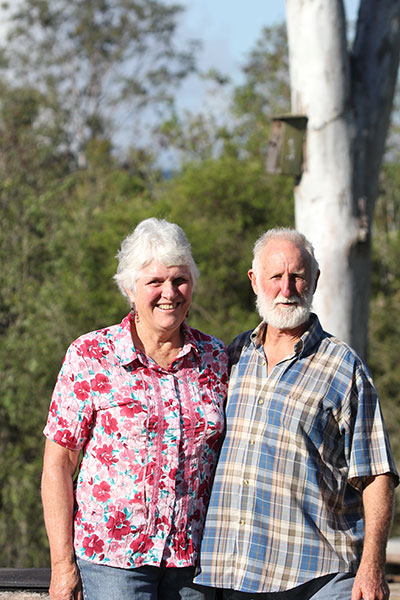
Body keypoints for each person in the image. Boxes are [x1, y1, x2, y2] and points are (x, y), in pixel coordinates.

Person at [195, 227, 398, 600]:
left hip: (317, 577)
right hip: (229, 574)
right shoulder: (230, 357)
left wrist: (372, 567)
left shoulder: (344, 367)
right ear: (255, 281)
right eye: (275, 277)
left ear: (315, 280)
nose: (286, 289)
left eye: (297, 277)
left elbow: (377, 476)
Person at [41, 218, 229, 600]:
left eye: (180, 280)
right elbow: (58, 464)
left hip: (194, 564)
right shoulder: (91, 355)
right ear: (130, 289)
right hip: (113, 562)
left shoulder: (216, 358)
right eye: (155, 282)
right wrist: (62, 565)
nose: (170, 293)